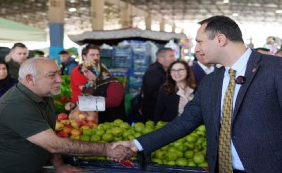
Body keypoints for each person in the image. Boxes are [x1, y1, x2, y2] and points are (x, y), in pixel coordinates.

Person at [112, 15, 282, 173]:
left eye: (199, 42)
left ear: (220, 39)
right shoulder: (211, 81)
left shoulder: (275, 69)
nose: (197, 48)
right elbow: (184, 122)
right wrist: (136, 144)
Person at [0, 57, 133, 173]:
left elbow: (51, 134)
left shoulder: (44, 96)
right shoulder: (16, 106)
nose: (60, 80)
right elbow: (54, 144)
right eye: (52, 75)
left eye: (59, 74)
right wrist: (106, 149)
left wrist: (58, 164)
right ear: (30, 79)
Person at [139, 47, 175, 121]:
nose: (174, 59)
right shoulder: (154, 72)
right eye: (171, 56)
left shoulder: (163, 70)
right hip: (153, 114)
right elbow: (154, 93)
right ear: (161, 58)